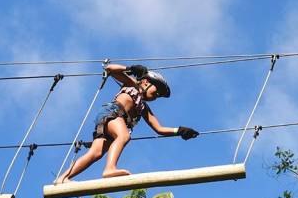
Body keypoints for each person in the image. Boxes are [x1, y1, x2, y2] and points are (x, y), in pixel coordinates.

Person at [55, 63, 199, 183]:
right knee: (124, 136)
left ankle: (63, 178)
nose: (157, 96)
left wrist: (179, 131)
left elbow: (159, 128)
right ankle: (110, 169)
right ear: (146, 82)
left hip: (111, 123)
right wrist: (129, 69)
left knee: (96, 153)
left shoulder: (143, 108)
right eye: (157, 91)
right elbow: (109, 69)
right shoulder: (132, 84)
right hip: (112, 113)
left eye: (159, 96)